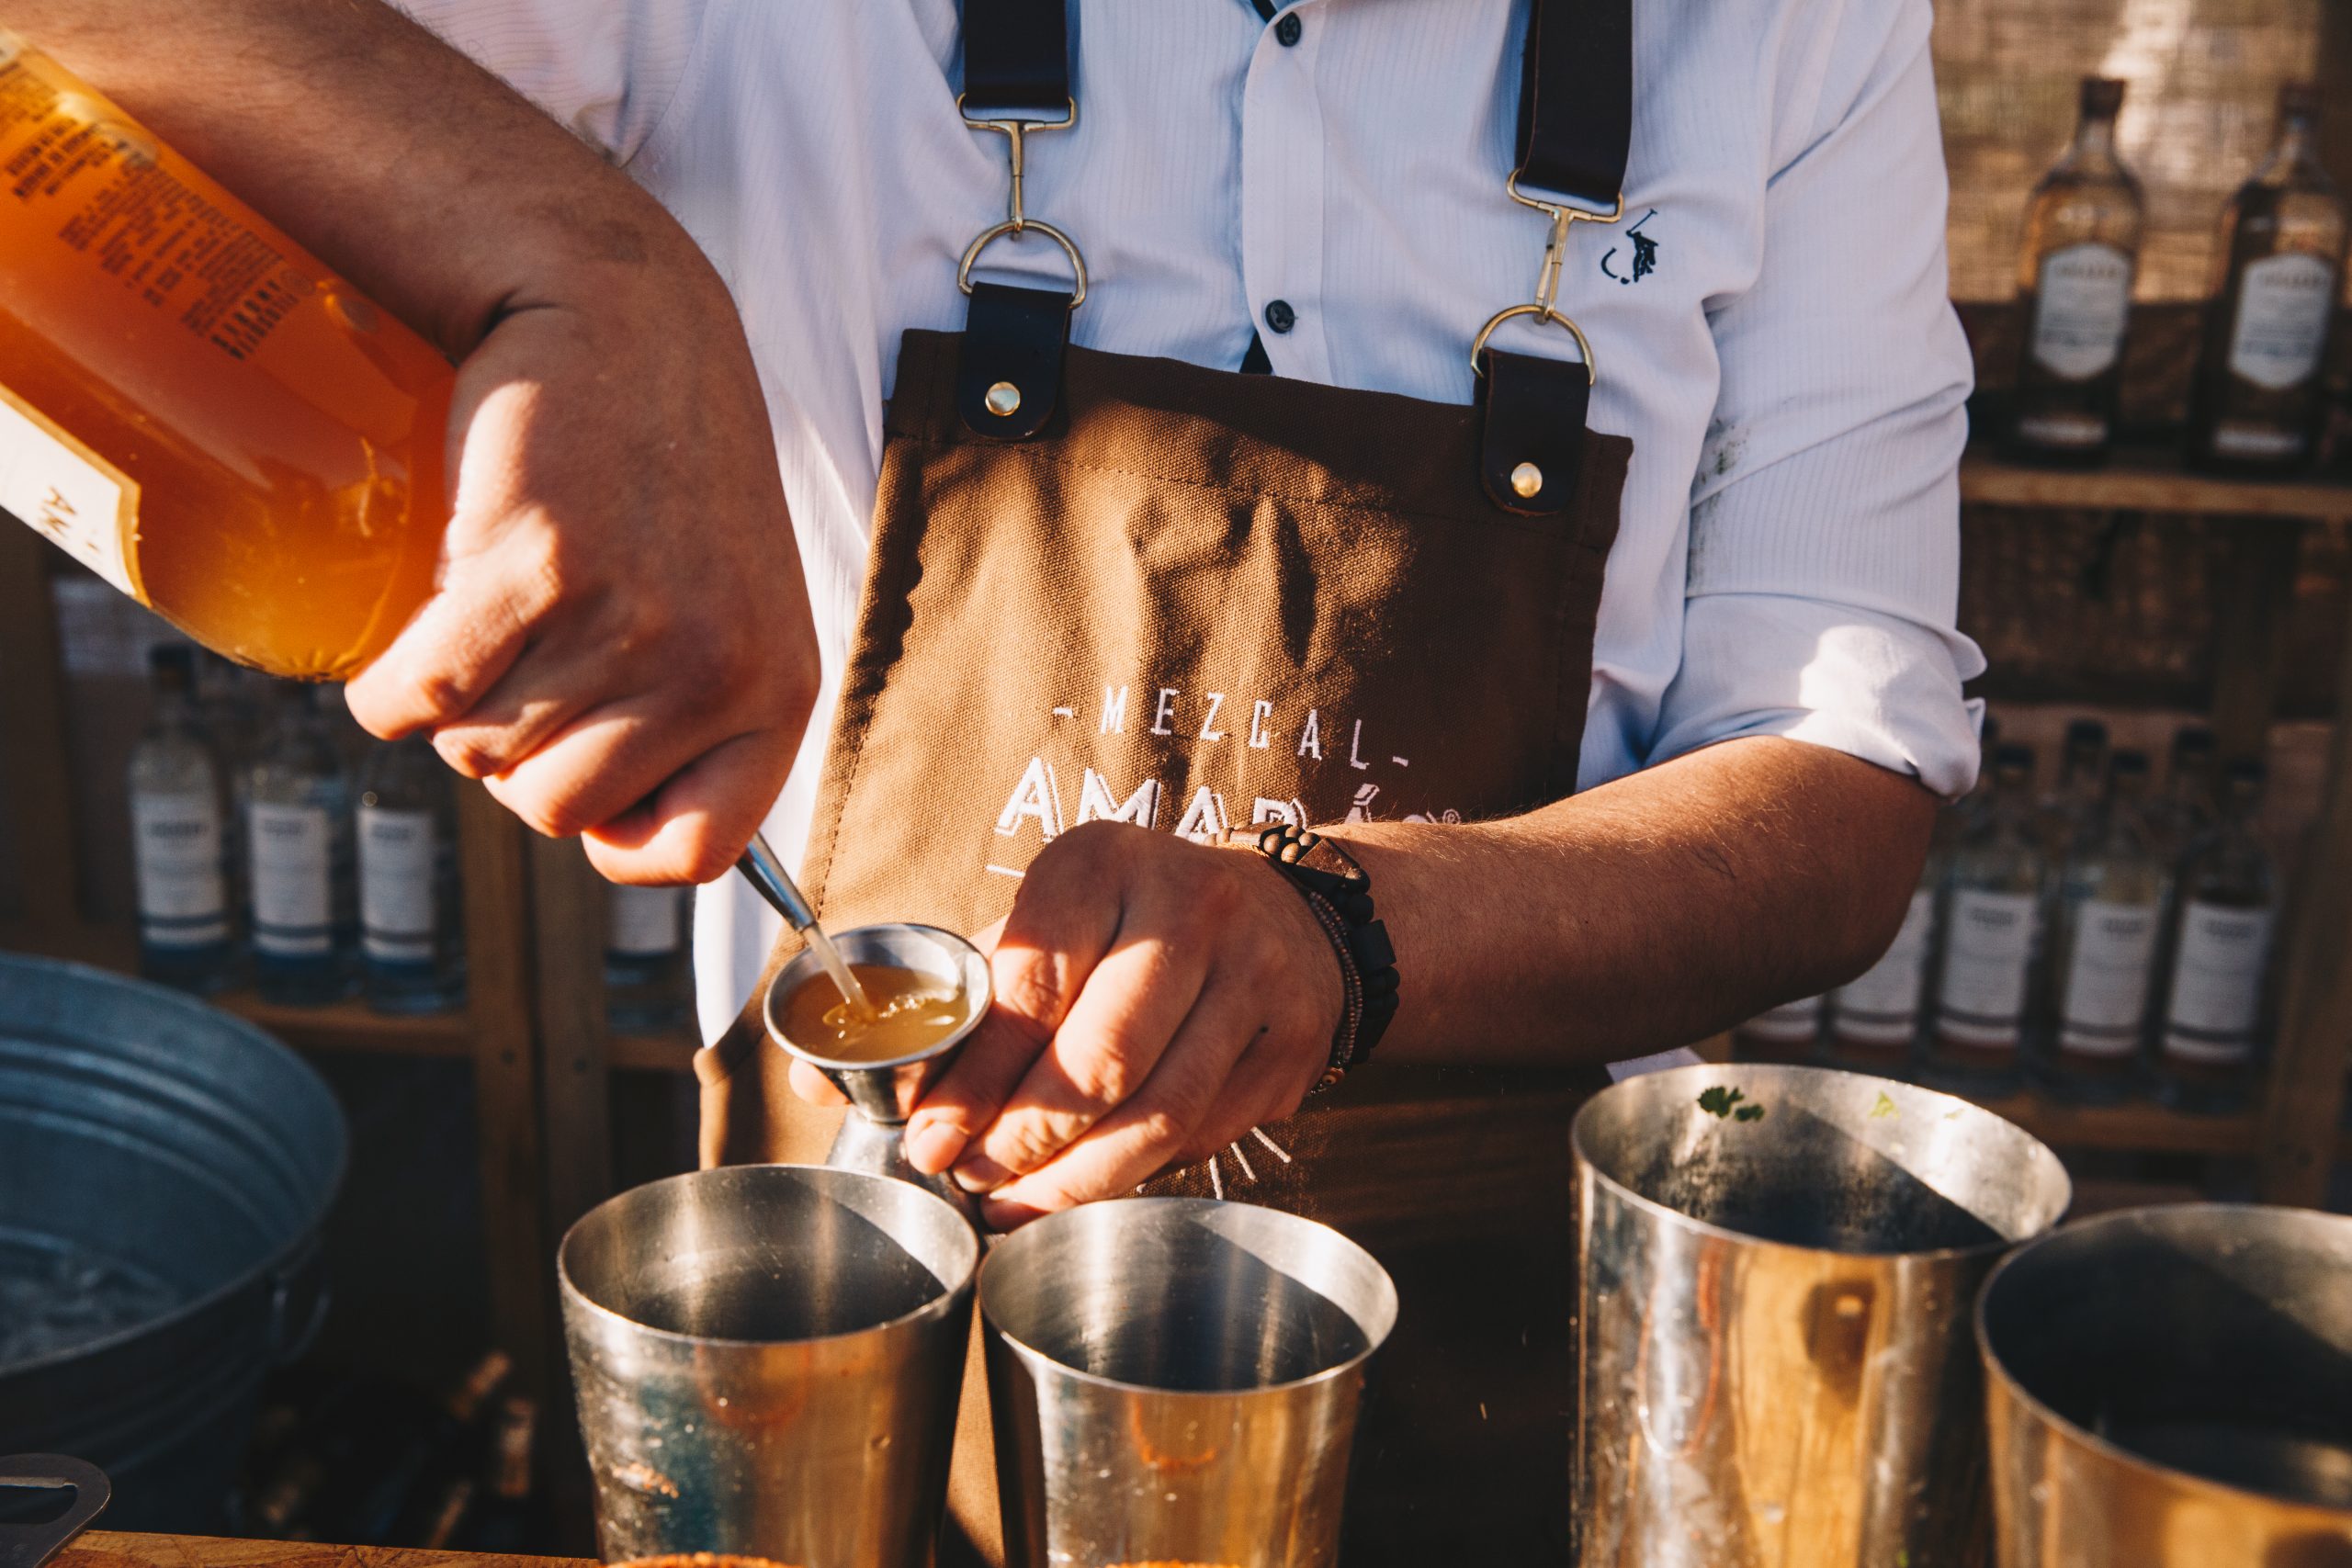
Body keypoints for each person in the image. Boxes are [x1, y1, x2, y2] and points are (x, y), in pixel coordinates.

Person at [37, 0, 1980, 1558]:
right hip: (868, 1300)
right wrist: (591, 265)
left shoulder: (1793, 33)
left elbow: (1839, 779)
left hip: (1488, 1339)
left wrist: (1339, 933)